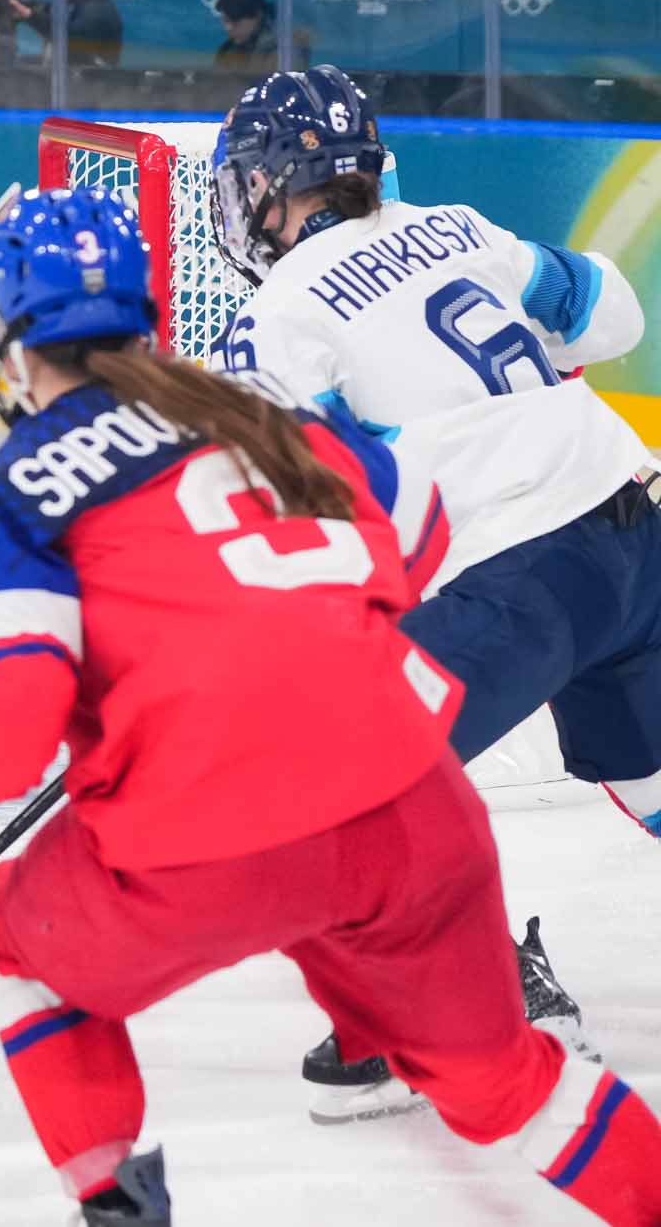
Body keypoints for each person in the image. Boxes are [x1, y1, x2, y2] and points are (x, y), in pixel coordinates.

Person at [0, 185, 661, 1226]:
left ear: (1, 339)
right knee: (507, 1086)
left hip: (211, 834)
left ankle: (121, 1206)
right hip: (408, 802)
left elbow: (6, 719)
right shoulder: (259, 418)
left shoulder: (0, 502)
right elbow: (419, 526)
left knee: (18, 954)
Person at [212, 62, 659, 1120]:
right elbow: (614, 314)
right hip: (637, 532)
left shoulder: (279, 310)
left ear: (270, 184)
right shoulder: (458, 227)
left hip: (520, 579)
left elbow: (300, 498)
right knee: (650, 776)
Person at [209, 0, 289, 72]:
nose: (228, 28)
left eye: (236, 22)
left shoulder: (281, 49)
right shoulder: (227, 50)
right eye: (225, 21)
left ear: (257, 15)